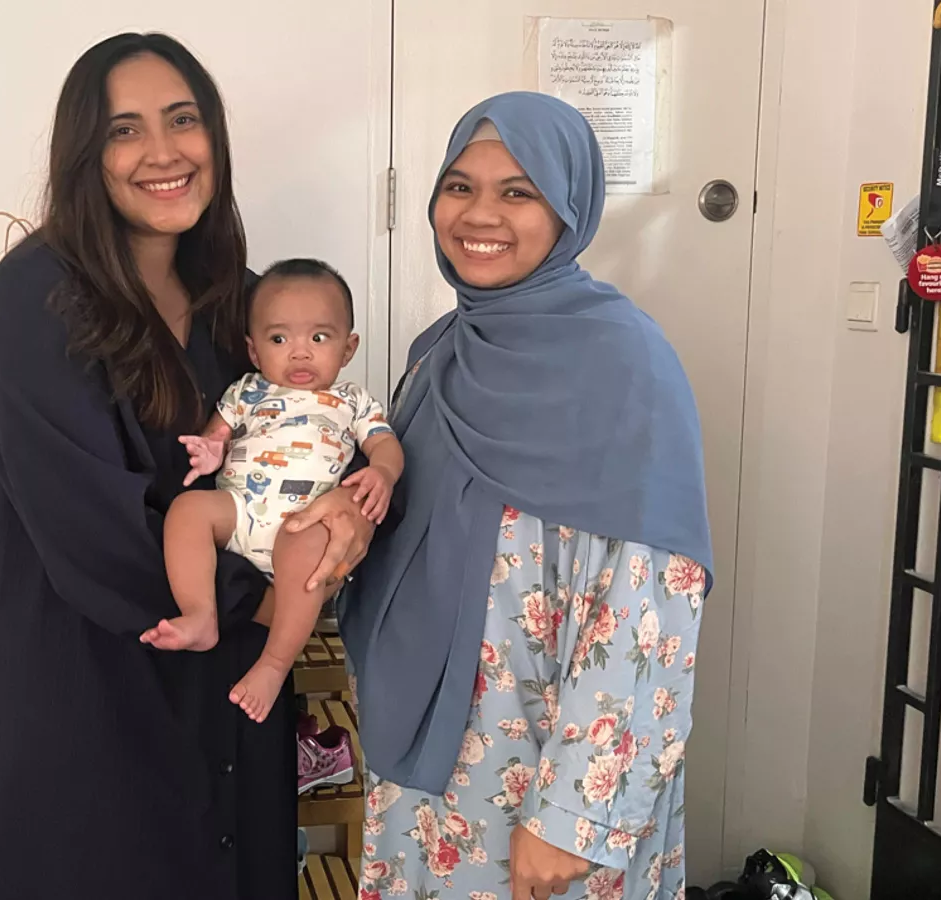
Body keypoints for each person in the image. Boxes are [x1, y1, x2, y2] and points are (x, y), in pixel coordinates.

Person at [0, 33, 375, 899]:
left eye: (183, 120)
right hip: (91, 694)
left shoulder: (245, 303)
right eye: (124, 130)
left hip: (232, 703)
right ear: (85, 155)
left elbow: (327, 437)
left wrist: (350, 520)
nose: (162, 152)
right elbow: (97, 537)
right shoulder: (34, 303)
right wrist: (275, 600)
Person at [341, 92, 714, 900]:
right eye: (459, 186)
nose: (481, 215)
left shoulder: (627, 365)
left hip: (548, 774)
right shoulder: (440, 353)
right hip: (428, 761)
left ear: (568, 206)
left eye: (519, 191)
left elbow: (653, 610)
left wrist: (573, 813)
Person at [142, 258, 405, 724]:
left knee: (307, 548)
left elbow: (385, 444)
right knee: (188, 511)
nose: (299, 353)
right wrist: (208, 451)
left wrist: (382, 473)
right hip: (240, 510)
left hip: (300, 524)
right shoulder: (245, 392)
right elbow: (215, 435)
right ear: (255, 350)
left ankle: (274, 665)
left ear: (349, 348)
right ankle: (200, 612)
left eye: (319, 338)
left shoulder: (352, 401)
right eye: (279, 339)